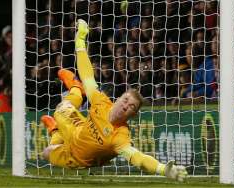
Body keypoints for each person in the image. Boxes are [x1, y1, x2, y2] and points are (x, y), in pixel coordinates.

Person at [41, 19, 187, 181]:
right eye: (125, 100)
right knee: (62, 107)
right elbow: (87, 75)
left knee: (46, 152)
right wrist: (80, 40)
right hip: (77, 129)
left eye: (131, 106)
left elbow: (138, 158)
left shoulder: (120, 137)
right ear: (117, 99)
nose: (126, 106)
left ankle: (54, 131)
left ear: (133, 115)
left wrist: (162, 169)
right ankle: (76, 88)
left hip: (75, 158)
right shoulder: (102, 101)